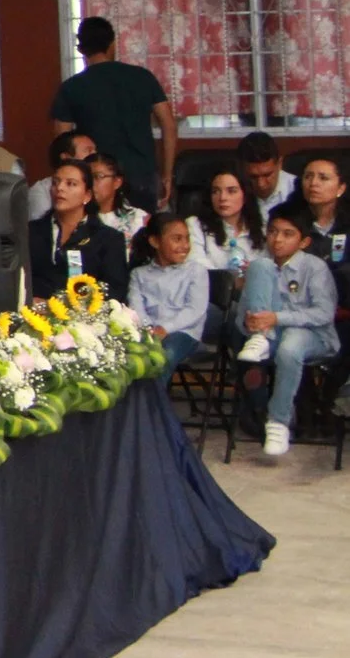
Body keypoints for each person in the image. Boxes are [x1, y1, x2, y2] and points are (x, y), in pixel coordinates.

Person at [233, 203, 339, 457]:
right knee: (259, 266)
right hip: (269, 338)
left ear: (304, 241)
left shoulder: (314, 267)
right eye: (272, 232)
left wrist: (276, 318)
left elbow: (323, 313)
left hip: (314, 336)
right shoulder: (261, 266)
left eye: (287, 234)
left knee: (290, 344)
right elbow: (241, 318)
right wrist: (252, 323)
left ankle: (278, 422)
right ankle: (261, 338)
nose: (277, 239)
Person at [49, 17, 176, 209]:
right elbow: (169, 125)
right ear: (113, 44)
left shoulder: (71, 87)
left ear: (81, 49)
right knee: (141, 226)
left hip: (98, 178)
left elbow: (63, 141)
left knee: (98, 227)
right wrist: (166, 175)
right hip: (143, 175)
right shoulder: (143, 77)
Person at [28, 156, 131, 302]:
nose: (60, 188)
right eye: (55, 182)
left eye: (71, 184)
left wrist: (72, 305)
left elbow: (115, 291)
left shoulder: (108, 238)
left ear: (87, 195)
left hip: (84, 313)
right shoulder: (30, 232)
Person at [127, 215, 208, 378]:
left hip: (183, 332)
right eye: (177, 239)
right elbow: (136, 308)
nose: (185, 245)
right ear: (155, 242)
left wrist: (165, 328)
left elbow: (195, 310)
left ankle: (152, 396)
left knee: (164, 356)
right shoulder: (139, 274)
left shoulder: (196, 271)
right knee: (131, 356)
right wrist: (149, 330)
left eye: (187, 239)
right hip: (148, 331)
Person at [188, 167, 263, 274]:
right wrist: (232, 278)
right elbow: (197, 265)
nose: (222, 198)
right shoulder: (195, 225)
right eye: (216, 191)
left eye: (231, 191)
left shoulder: (262, 228)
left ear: (245, 195)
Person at [88, 152, 150, 247]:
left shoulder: (139, 219)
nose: (91, 183)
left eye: (98, 177)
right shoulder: (74, 218)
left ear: (117, 182)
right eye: (87, 178)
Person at [295, 156, 346, 264]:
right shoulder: (290, 222)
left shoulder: (346, 222)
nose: (313, 183)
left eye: (323, 178)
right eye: (308, 177)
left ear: (341, 188)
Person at [237, 130, 295, 218]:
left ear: (280, 164)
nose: (261, 184)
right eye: (253, 177)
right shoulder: (229, 191)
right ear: (241, 169)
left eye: (267, 175)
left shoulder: (300, 191)